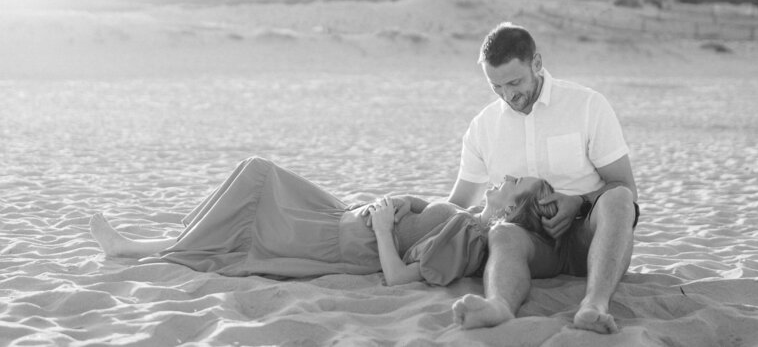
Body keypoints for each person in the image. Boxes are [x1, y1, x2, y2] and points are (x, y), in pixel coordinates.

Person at [90, 156, 559, 287]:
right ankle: (133, 246)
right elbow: (419, 206)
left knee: (255, 183)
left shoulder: (473, 237)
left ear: (508, 211)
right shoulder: (467, 215)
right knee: (253, 182)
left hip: (345, 241)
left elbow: (397, 277)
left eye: (513, 182)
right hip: (342, 216)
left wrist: (379, 230)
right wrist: (399, 201)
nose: (505, 177)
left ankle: (134, 248)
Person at [448, 22, 639, 334]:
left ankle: (595, 304)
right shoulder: (483, 126)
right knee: (502, 233)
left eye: (514, 82)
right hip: (532, 246)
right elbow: (458, 202)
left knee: (618, 199)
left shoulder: (588, 105)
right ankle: (500, 306)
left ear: (536, 63)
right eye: (496, 87)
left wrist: (578, 202)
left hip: (588, 237)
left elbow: (625, 187)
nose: (508, 95)